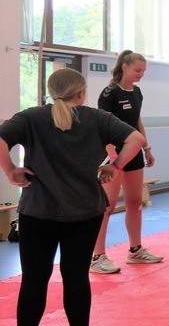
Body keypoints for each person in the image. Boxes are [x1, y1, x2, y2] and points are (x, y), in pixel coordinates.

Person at [0, 68, 146, 326]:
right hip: (85, 211)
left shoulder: (32, 117)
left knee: (34, 279)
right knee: (76, 277)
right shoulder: (98, 118)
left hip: (38, 212)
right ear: (81, 93)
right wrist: (115, 167)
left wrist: (11, 171)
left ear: (51, 92)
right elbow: (136, 138)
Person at [91, 50, 163, 274]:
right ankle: (97, 257)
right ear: (125, 67)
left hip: (134, 153)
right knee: (107, 206)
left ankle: (135, 250)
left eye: (143, 71)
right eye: (137, 70)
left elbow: (137, 121)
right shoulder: (109, 93)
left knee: (134, 202)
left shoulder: (137, 92)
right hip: (114, 155)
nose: (141, 74)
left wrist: (146, 147)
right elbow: (102, 127)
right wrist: (113, 158)